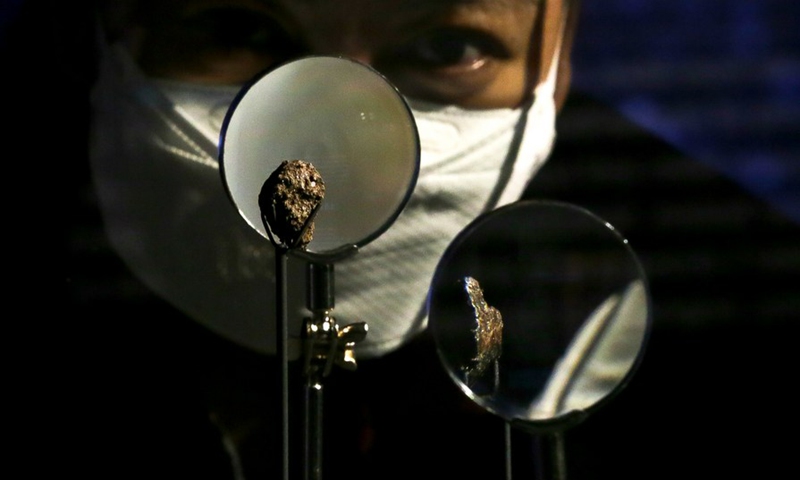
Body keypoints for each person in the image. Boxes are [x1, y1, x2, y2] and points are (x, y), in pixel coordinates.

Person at [3, 0, 791, 477]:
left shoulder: (740, 341)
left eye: (445, 47)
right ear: (94, 26)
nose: (339, 148)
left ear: (563, 44)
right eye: (241, 28)